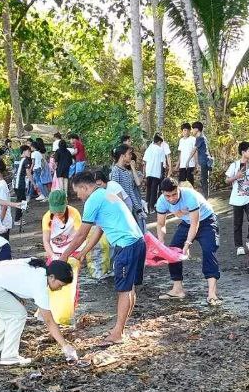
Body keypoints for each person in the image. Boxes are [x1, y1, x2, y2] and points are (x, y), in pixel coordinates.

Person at [66, 172, 146, 346]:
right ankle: (120, 329)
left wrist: (64, 256)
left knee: (124, 290)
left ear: (84, 187)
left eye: (77, 192)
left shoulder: (93, 200)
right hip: (138, 241)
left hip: (126, 246)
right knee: (129, 288)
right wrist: (83, 253)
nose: (78, 196)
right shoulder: (106, 193)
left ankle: (118, 333)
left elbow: (81, 234)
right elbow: (99, 229)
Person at [0, 258, 78, 367]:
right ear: (51, 277)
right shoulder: (40, 284)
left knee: (9, 316)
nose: (60, 289)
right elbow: (49, 321)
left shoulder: (39, 268)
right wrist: (65, 346)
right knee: (18, 315)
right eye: (60, 285)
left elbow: (11, 275)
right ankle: (9, 357)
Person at [154, 178, 221, 304]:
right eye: (167, 195)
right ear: (163, 193)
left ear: (178, 189)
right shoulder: (162, 201)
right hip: (187, 222)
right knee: (173, 250)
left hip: (207, 221)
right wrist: (161, 242)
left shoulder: (190, 196)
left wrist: (188, 244)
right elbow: (160, 224)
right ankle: (177, 289)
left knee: (209, 251)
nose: (171, 198)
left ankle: (212, 293)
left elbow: (195, 224)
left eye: (174, 194)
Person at [226, 141, 249, 256]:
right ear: (243, 152)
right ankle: (239, 246)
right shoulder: (234, 165)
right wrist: (236, 176)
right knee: (237, 223)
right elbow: (227, 180)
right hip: (237, 198)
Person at [109, 144, 148, 231]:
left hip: (132, 208)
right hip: (124, 210)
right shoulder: (116, 171)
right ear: (123, 156)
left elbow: (130, 192)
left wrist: (138, 208)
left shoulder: (126, 171)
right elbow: (114, 193)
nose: (131, 156)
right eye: (129, 154)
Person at [143, 133, 171, 211]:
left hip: (149, 172)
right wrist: (162, 174)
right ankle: (152, 207)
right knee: (154, 190)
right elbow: (162, 163)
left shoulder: (149, 148)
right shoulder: (160, 150)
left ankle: (146, 206)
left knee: (148, 189)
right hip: (156, 173)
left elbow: (144, 161)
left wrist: (145, 173)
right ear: (159, 142)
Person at [193, 121, 213, 197]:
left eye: (193, 129)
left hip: (204, 161)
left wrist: (188, 160)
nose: (192, 131)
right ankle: (205, 196)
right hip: (205, 161)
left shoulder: (200, 138)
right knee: (204, 179)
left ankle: (205, 198)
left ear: (197, 129)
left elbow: (194, 150)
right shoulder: (203, 137)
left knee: (204, 180)